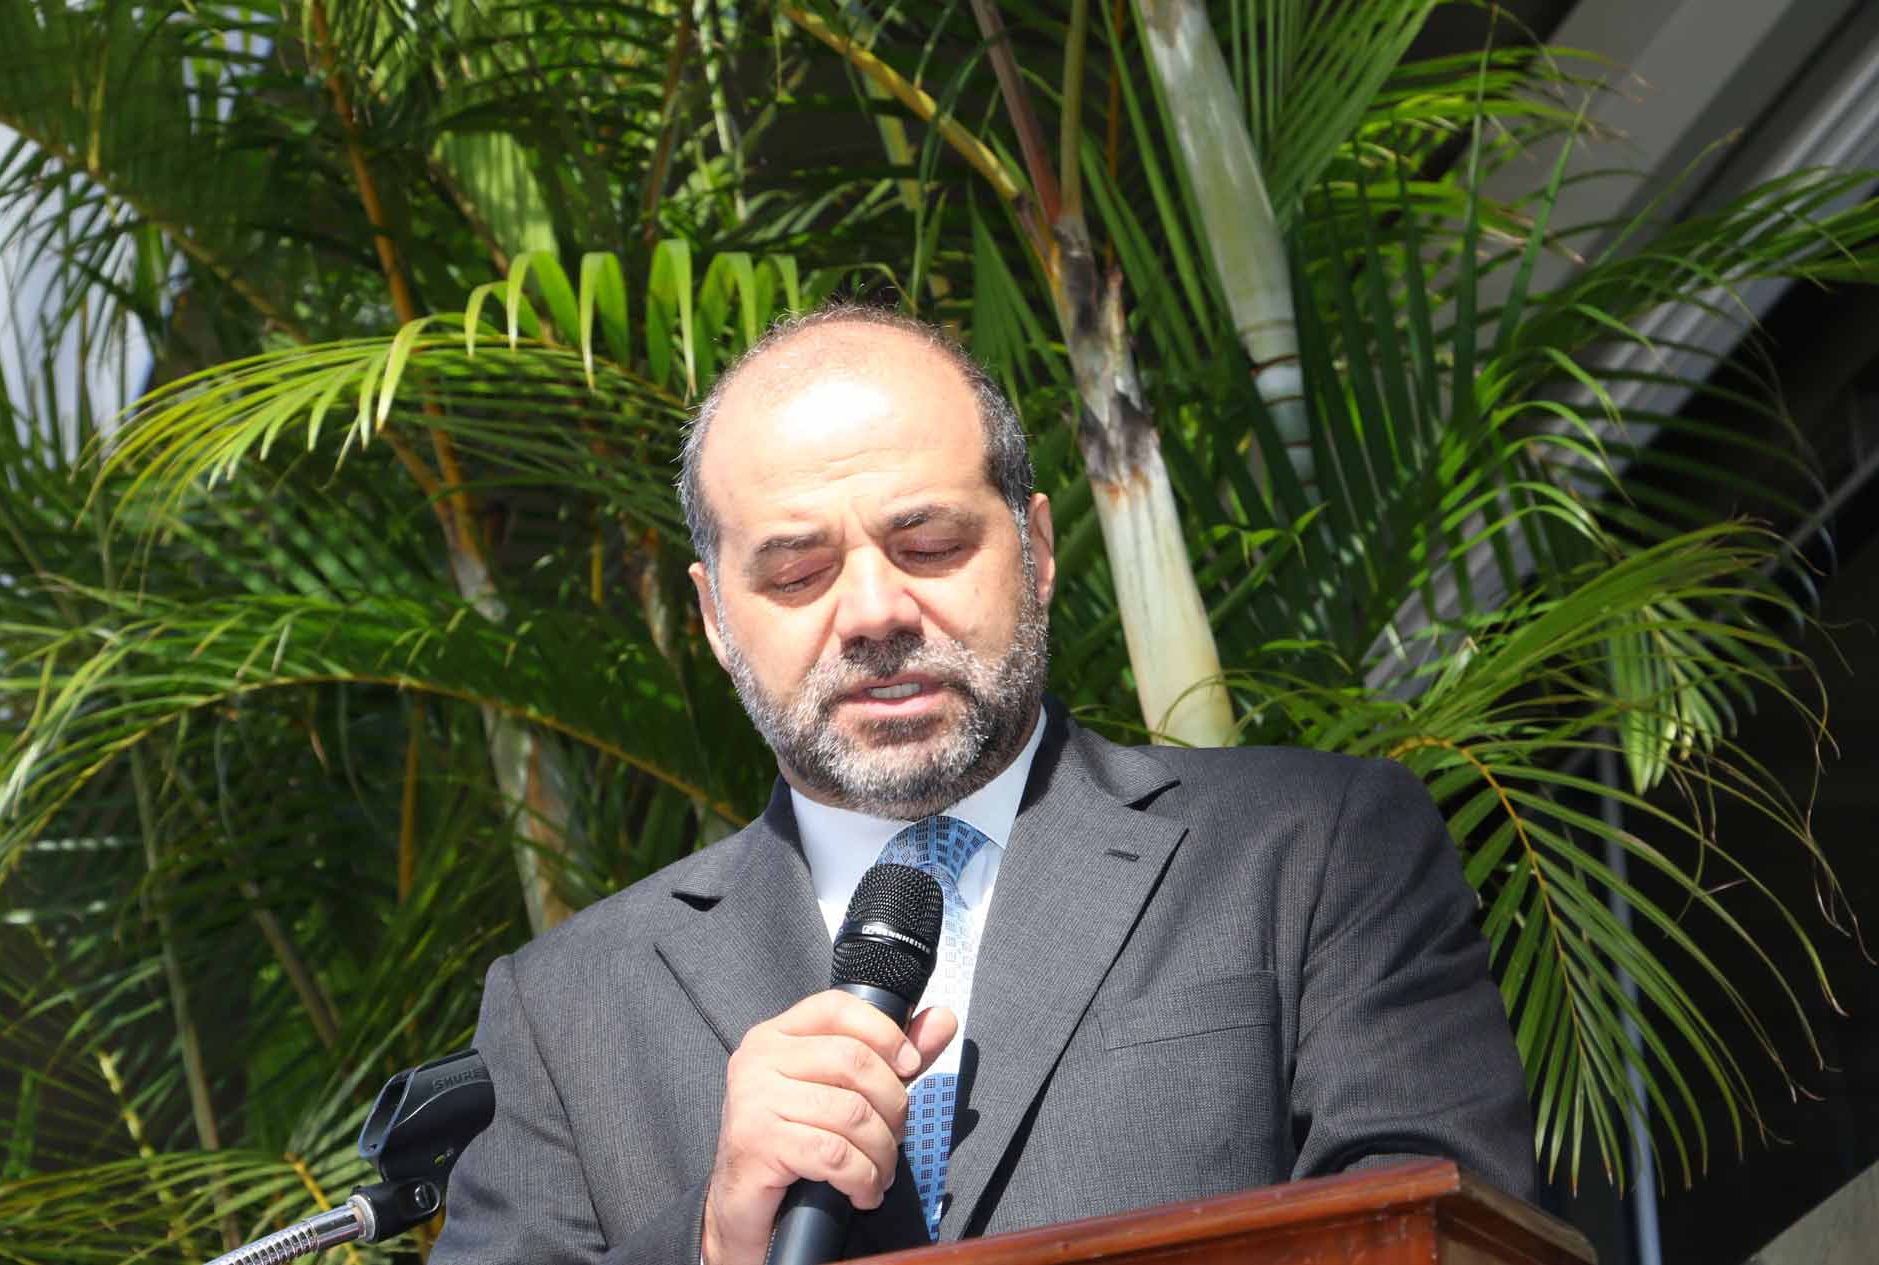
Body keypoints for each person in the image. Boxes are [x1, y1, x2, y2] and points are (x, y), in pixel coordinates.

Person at [430, 306, 1536, 1265]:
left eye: (927, 543)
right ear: (716, 618)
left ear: (1037, 548)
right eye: (798, 572)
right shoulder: (563, 1012)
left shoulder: (1311, 848)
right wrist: (714, 1238)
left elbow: (1440, 1236)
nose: (874, 612)